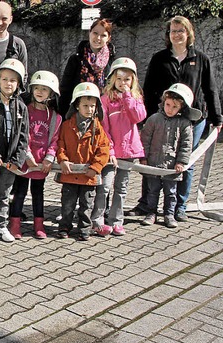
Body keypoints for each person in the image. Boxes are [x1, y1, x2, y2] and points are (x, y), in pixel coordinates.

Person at [130, 16, 223, 221]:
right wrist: (143, 119)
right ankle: (147, 205)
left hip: (192, 121)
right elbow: (149, 89)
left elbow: (210, 89)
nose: (176, 34)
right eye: (173, 31)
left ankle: (178, 206)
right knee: (153, 160)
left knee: (184, 162)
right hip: (162, 119)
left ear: (189, 33)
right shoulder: (159, 58)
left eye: (181, 30)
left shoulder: (201, 59)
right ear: (168, 35)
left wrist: (217, 118)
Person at [89, 58, 146, 237]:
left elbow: (139, 117)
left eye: (127, 79)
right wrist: (110, 151)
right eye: (120, 78)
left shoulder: (136, 98)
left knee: (121, 188)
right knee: (104, 187)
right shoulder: (105, 100)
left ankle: (116, 221)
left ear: (133, 81)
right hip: (110, 153)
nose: (123, 83)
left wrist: (128, 97)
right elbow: (104, 128)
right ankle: (97, 221)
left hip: (128, 153)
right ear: (112, 78)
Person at [0, 59, 29, 243]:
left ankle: (1, 226)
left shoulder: (21, 107)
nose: (9, 84)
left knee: (5, 195)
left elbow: (24, 135)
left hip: (10, 163)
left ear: (19, 84)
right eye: (5, 79)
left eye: (13, 80)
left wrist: (17, 159)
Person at [11, 70, 62, 239]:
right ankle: (14, 223)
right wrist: (27, 156)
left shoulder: (55, 117)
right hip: (26, 162)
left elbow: (55, 139)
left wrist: (49, 158)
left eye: (44, 89)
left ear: (52, 93)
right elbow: (21, 135)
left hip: (42, 164)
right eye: (37, 88)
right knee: (19, 193)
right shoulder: (25, 110)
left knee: (38, 194)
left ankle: (39, 225)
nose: (40, 92)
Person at [56, 83, 110, 241]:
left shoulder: (98, 128)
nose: (89, 109)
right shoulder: (66, 126)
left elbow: (104, 150)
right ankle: (64, 226)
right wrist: (63, 160)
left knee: (87, 205)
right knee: (67, 205)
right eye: (85, 105)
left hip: (89, 177)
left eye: (92, 106)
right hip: (69, 175)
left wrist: (96, 167)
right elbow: (60, 145)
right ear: (76, 106)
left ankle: (84, 228)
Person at [140, 83, 198, 228]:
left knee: (171, 192)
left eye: (174, 107)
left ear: (182, 108)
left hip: (172, 166)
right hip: (153, 163)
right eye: (168, 105)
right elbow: (145, 139)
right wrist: (144, 158)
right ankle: (151, 213)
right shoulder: (154, 119)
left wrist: (181, 162)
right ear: (163, 102)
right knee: (152, 191)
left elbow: (186, 145)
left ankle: (169, 214)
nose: (170, 109)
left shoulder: (185, 124)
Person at [59, 18, 115, 116]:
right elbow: (65, 89)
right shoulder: (76, 59)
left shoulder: (112, 62)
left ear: (108, 38)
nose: (98, 38)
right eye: (95, 33)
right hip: (77, 113)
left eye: (103, 35)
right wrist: (63, 114)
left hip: (101, 114)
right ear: (90, 33)